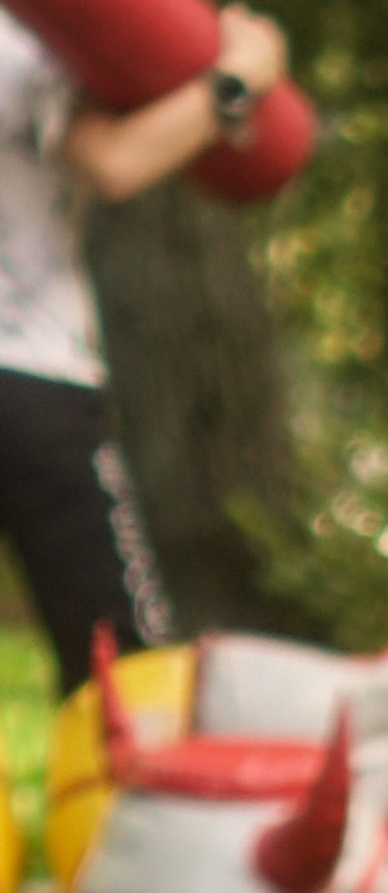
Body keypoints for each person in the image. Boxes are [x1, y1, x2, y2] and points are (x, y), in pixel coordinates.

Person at [0, 5, 290, 694]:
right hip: (31, 374)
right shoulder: (35, 37)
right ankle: (132, 794)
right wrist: (237, 78)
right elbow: (115, 162)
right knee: (121, 660)